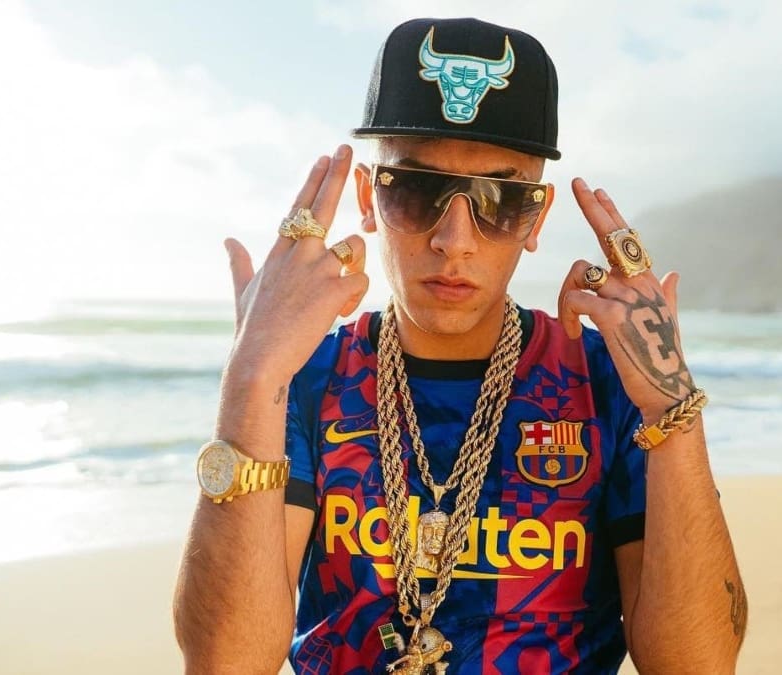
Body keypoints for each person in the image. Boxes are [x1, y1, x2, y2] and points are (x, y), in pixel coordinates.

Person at [174, 16, 746, 674]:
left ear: (536, 217)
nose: (455, 240)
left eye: (499, 200)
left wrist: (671, 408)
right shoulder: (305, 380)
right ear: (369, 197)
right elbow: (225, 663)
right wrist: (250, 377)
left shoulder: (605, 385)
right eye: (417, 191)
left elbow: (698, 664)